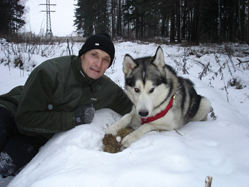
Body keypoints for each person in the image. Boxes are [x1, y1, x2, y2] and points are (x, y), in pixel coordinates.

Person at [0, 33, 133, 177]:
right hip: (12, 110)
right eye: (94, 55)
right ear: (82, 55)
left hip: (39, 134)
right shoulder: (50, 72)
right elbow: (24, 119)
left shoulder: (108, 89)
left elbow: (135, 108)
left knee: (6, 165)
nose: (98, 64)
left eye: (105, 59)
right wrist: (74, 118)